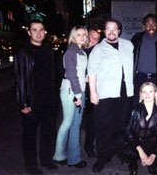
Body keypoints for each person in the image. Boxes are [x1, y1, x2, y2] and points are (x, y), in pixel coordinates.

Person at [88, 18, 134, 173]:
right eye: (108, 29)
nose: (112, 32)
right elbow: (92, 73)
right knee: (103, 127)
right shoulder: (98, 49)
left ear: (119, 31)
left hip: (125, 93)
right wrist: (93, 93)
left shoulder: (129, 45)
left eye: (115, 29)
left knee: (123, 126)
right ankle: (102, 157)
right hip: (105, 94)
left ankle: (125, 155)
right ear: (105, 31)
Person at [13, 20, 57, 175]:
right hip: (31, 101)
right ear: (29, 32)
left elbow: (53, 76)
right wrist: (23, 103)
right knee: (29, 136)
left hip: (48, 101)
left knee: (48, 133)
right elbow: (19, 79)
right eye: (35, 30)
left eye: (41, 30)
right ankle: (31, 166)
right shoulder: (23, 52)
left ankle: (46, 160)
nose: (38, 33)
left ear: (45, 32)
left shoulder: (48, 51)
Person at [53, 26, 88, 169]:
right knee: (67, 123)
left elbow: (80, 73)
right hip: (71, 92)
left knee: (75, 125)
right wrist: (78, 95)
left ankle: (74, 158)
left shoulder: (81, 51)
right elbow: (72, 74)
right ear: (73, 36)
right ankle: (59, 154)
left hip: (79, 91)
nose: (82, 37)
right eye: (78, 34)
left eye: (84, 34)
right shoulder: (71, 51)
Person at [118, 82, 157, 175]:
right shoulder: (135, 110)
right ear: (141, 94)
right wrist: (140, 150)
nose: (147, 95)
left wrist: (153, 155)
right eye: (144, 92)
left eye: (150, 91)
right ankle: (133, 165)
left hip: (151, 143)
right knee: (130, 152)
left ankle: (151, 165)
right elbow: (127, 131)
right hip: (135, 143)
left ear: (155, 93)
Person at [131, 14, 157, 105]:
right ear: (144, 26)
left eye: (154, 24)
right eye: (148, 24)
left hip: (156, 79)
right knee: (138, 106)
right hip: (139, 78)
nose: (151, 27)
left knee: (156, 106)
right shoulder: (137, 39)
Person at [84, 29, 101, 158]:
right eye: (92, 36)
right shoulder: (78, 50)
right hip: (81, 92)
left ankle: (90, 147)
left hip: (95, 90)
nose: (93, 40)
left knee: (93, 122)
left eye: (97, 38)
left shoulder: (98, 52)